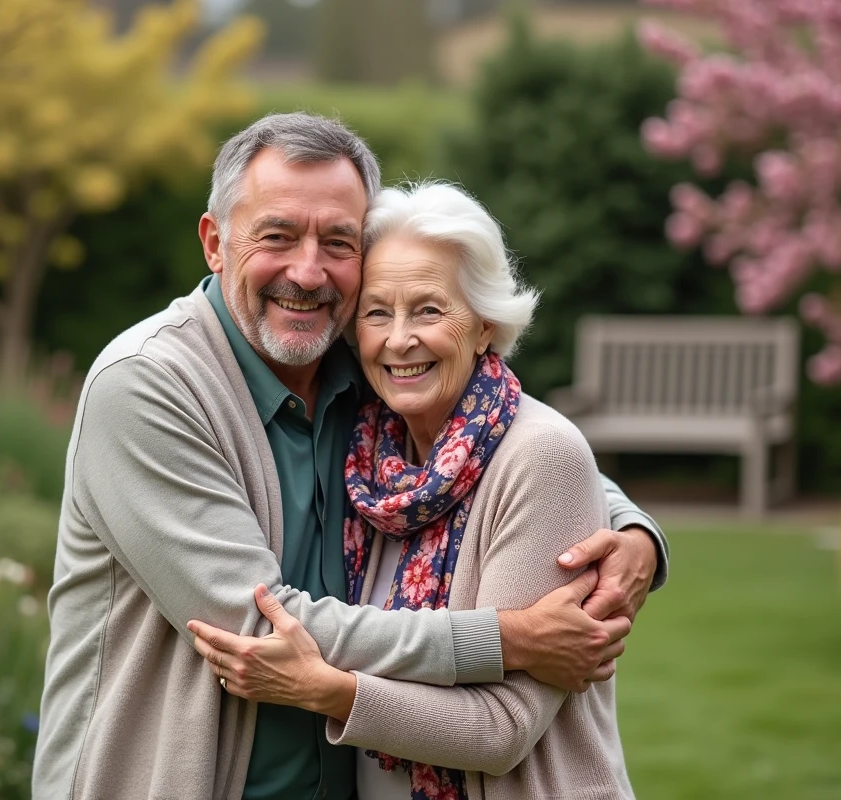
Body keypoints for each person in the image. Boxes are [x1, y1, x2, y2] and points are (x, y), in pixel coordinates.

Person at [33, 113, 668, 800]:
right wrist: (507, 640)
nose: (306, 273)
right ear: (216, 243)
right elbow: (256, 623)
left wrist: (635, 533)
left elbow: (504, 444)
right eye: (276, 235)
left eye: (337, 241)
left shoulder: (358, 361)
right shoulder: (146, 384)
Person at [190, 181, 634, 799]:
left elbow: (500, 731)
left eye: (428, 310)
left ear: (484, 324)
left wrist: (327, 690)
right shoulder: (374, 455)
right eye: (377, 312)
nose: (399, 339)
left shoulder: (539, 456)